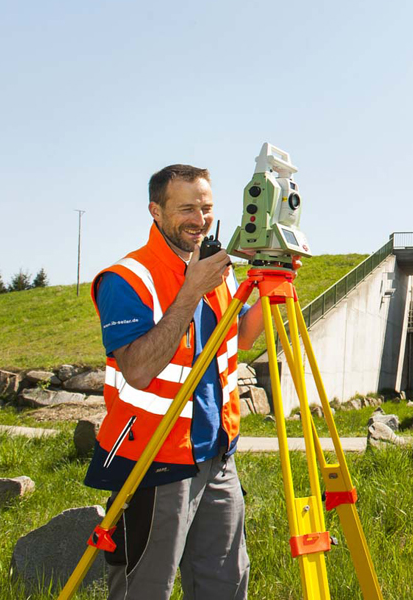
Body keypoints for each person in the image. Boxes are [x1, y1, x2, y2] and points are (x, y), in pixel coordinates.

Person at [85, 164, 267, 600]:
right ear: (155, 211)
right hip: (154, 459)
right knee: (145, 588)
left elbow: (239, 336)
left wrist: (270, 285)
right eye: (186, 208)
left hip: (218, 455)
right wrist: (190, 291)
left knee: (224, 585)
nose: (199, 220)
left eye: (206, 208)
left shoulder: (219, 272)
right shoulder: (126, 279)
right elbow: (138, 369)